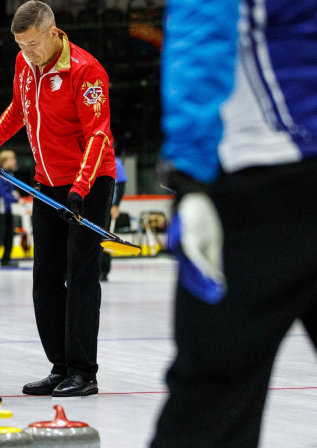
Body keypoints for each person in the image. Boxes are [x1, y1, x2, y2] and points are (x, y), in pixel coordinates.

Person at [150, 0, 317, 446]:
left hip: (265, 186)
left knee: (211, 401)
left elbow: (202, 28)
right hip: (267, 179)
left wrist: (190, 176)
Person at [0, 0, 116, 397]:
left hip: (89, 183)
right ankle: (61, 366)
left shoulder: (85, 70)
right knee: (45, 279)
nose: (26, 52)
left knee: (82, 276)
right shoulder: (24, 64)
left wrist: (80, 189)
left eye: (32, 44)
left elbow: (99, 135)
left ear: (53, 32)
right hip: (46, 185)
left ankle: (83, 372)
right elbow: (19, 109)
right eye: (20, 45)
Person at [0, 149, 21, 268]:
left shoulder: (10, 175)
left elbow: (11, 191)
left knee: (9, 235)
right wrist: (17, 199)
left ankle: (6, 259)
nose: (14, 162)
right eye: (12, 159)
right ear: (4, 161)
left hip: (7, 210)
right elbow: (4, 194)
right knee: (0, 235)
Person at [99, 155, 127, 281]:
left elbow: (121, 184)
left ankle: (104, 270)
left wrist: (116, 205)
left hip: (108, 206)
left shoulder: (116, 163)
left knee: (106, 237)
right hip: (94, 205)